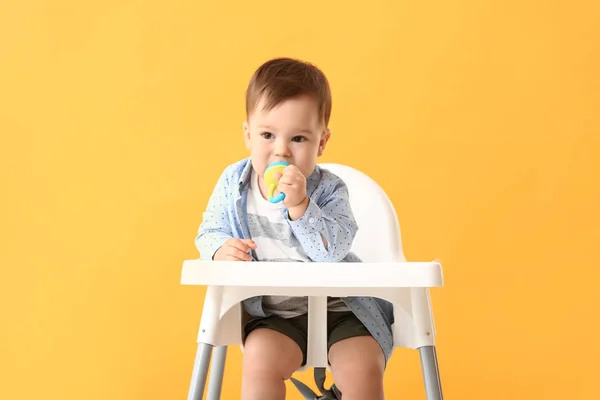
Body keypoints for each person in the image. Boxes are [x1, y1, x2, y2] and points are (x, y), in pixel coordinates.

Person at [195, 57, 393, 400]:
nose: (281, 150)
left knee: (362, 367)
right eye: (268, 135)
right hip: (274, 315)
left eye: (298, 138)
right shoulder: (233, 184)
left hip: (342, 310)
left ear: (322, 142)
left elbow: (331, 252)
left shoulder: (330, 189)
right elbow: (209, 230)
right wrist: (218, 249)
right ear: (247, 134)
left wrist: (301, 207)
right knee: (259, 361)